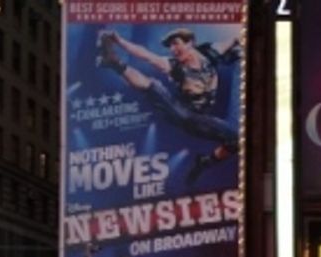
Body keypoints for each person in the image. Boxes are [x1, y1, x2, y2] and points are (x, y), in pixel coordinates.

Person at [96, 28, 242, 182]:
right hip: (182, 113)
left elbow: (231, 40)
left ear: (190, 43)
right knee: (154, 87)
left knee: (236, 141)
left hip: (203, 120)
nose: (173, 50)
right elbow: (146, 55)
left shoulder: (209, 51)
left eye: (176, 44)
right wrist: (119, 41)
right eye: (170, 46)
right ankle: (114, 62)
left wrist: (239, 41)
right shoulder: (174, 66)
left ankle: (205, 162)